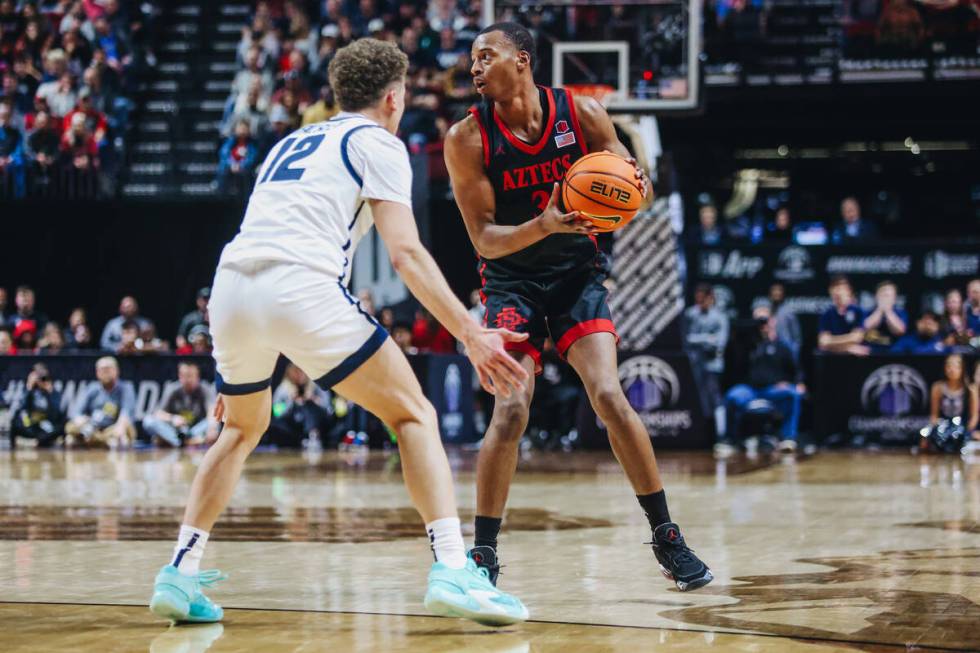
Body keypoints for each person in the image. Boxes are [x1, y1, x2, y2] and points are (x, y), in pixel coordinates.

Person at [149, 38, 530, 628]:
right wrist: (471, 331)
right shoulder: (378, 142)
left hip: (231, 288)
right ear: (393, 98)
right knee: (414, 416)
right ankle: (455, 569)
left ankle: (179, 569)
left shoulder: (292, 140)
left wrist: (241, 359)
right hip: (297, 284)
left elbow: (267, 237)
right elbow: (405, 253)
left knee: (240, 427)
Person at [443, 22, 712, 592]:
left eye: (484, 56)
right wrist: (545, 222)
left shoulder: (582, 115)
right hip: (511, 283)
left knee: (611, 396)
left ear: (521, 59)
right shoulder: (467, 138)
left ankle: (667, 536)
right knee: (511, 411)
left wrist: (629, 188)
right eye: (471, 60)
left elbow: (633, 189)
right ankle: (484, 554)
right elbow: (485, 240)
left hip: (576, 276)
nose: (474, 68)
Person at [724, 316, 804, 454]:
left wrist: (795, 383)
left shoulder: (782, 346)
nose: (763, 326)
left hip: (772, 389)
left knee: (792, 394)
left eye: (766, 322)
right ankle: (731, 440)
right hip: (750, 389)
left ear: (773, 323)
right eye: (760, 323)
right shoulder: (748, 345)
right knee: (733, 396)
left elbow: (795, 371)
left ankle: (788, 438)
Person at [65, 356, 137, 448]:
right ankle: (99, 440)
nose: (105, 373)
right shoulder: (91, 388)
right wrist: (80, 419)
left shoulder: (126, 388)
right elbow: (75, 412)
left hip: (113, 428)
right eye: (102, 370)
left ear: (116, 371)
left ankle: (97, 440)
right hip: (93, 428)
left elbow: (126, 413)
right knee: (70, 431)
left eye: (108, 369)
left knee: (121, 435)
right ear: (97, 373)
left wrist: (120, 427)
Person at [143, 362, 217, 448]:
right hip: (176, 430)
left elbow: (212, 411)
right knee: (148, 421)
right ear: (179, 376)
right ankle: (184, 442)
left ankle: (175, 441)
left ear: (197, 377)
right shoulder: (172, 388)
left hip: (195, 430)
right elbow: (158, 413)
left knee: (215, 423)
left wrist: (212, 428)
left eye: (190, 376)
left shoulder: (205, 388)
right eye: (184, 375)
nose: (188, 379)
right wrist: (173, 418)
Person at [267, 363, 334, 448]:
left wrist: (313, 399)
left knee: (309, 406)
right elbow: (277, 412)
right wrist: (290, 401)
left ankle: (312, 436)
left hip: (317, 427)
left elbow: (329, 409)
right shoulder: (284, 388)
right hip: (291, 428)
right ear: (290, 372)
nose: (300, 375)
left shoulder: (316, 386)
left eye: (302, 371)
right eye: (296, 371)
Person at [923, 354, 978, 453]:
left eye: (956, 366)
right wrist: (935, 430)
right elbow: (934, 416)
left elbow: (974, 416)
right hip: (943, 426)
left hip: (962, 428)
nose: (951, 370)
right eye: (948, 366)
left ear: (962, 369)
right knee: (926, 440)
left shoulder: (970, 389)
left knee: (960, 441)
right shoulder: (937, 387)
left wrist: (967, 431)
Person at [9, 363, 66, 448]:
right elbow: (19, 408)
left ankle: (39, 441)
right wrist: (29, 388)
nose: (41, 380)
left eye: (43, 377)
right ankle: (36, 441)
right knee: (15, 423)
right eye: (39, 377)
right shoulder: (27, 390)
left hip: (45, 425)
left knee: (60, 428)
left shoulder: (52, 391)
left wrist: (50, 393)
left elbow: (57, 413)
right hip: (30, 424)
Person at [818, 276, 867, 355]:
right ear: (830, 291)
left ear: (849, 291)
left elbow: (856, 338)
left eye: (842, 288)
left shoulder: (859, 311)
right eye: (835, 288)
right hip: (832, 358)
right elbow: (823, 342)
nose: (838, 292)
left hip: (854, 359)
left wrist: (831, 341)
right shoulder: (826, 314)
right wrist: (848, 347)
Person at [862, 280, 908, 353]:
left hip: (894, 352)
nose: (885, 298)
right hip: (871, 352)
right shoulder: (867, 312)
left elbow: (900, 330)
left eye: (888, 296)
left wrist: (888, 311)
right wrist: (879, 310)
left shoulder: (901, 312)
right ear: (876, 296)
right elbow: (863, 328)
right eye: (883, 295)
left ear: (894, 298)